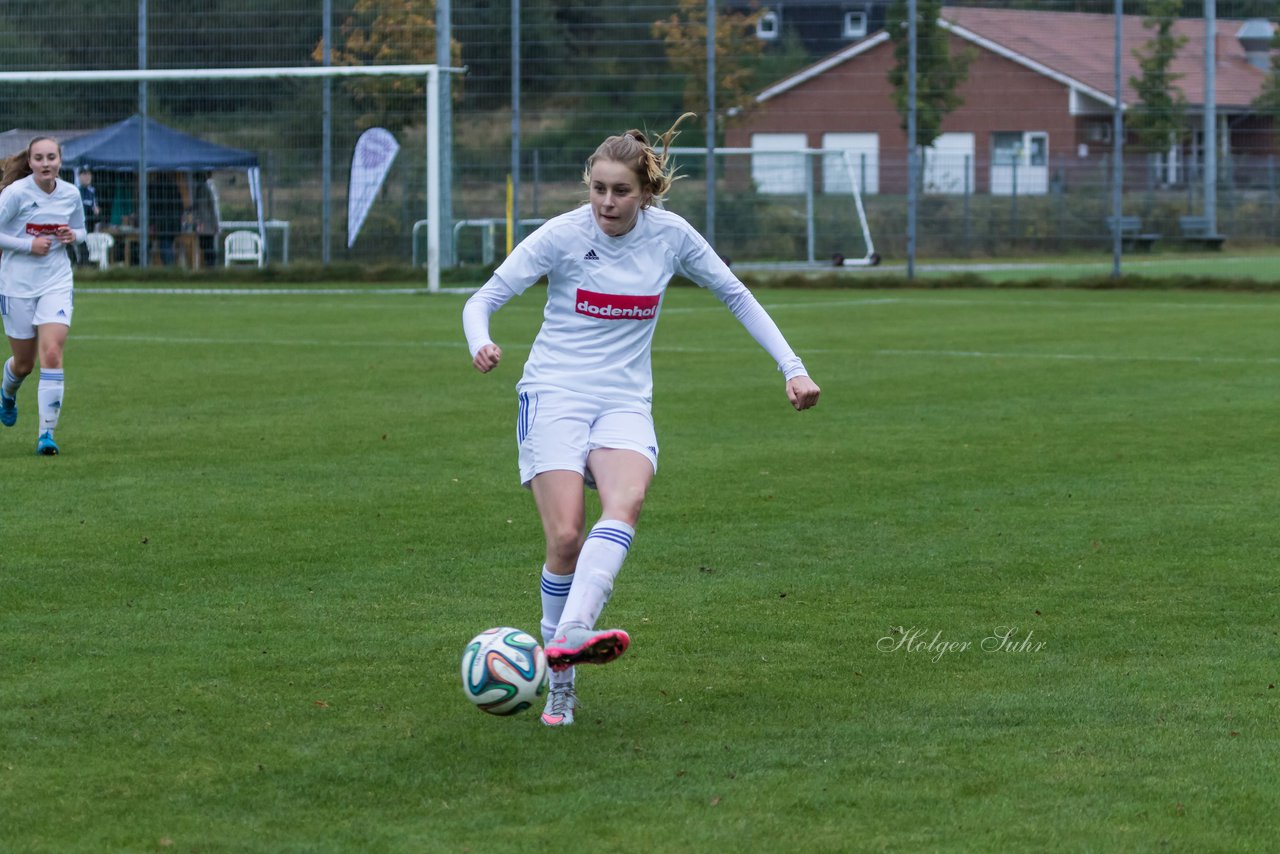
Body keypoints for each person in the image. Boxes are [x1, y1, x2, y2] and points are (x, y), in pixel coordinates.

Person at [461, 114, 821, 727]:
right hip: (554, 393)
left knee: (625, 505)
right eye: (598, 188)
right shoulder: (563, 234)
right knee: (566, 538)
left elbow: (735, 293)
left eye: (620, 191)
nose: (606, 201)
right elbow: (483, 299)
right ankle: (562, 688)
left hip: (624, 401)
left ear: (646, 191)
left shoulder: (671, 236)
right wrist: (481, 340)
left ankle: (573, 631)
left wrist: (792, 366)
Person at [0, 137, 86, 455]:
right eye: (39, 158)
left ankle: (45, 436)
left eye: (51, 157)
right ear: (31, 162)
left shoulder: (70, 194)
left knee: (52, 353)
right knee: (24, 364)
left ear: (60, 160)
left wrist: (72, 235)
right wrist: (28, 245)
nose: (46, 163)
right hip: (16, 285)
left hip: (56, 282)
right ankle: (7, 396)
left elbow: (81, 229)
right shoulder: (16, 194)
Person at [75, 167, 100, 266]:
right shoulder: (75, 191)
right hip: (78, 226)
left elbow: (95, 209)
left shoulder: (91, 192)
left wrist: (96, 210)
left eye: (88, 174)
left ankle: (88, 264)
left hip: (89, 226)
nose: (87, 177)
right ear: (79, 176)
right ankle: (82, 264)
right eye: (84, 174)